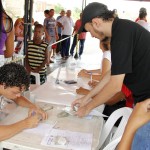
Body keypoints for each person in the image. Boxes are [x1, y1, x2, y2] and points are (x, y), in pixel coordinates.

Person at [71, 2, 150, 148]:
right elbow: (111, 74)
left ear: (96, 22)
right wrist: (87, 98)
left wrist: (88, 107)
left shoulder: (122, 32)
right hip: (142, 101)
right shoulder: (122, 30)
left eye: (90, 31)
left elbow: (114, 86)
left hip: (147, 104)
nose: (93, 37)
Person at [0, 63, 47, 141]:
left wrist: (32, 106)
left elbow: (17, 98)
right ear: (2, 85)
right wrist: (25, 123)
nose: (18, 95)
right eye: (15, 92)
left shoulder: (4, 86)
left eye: (20, 92)